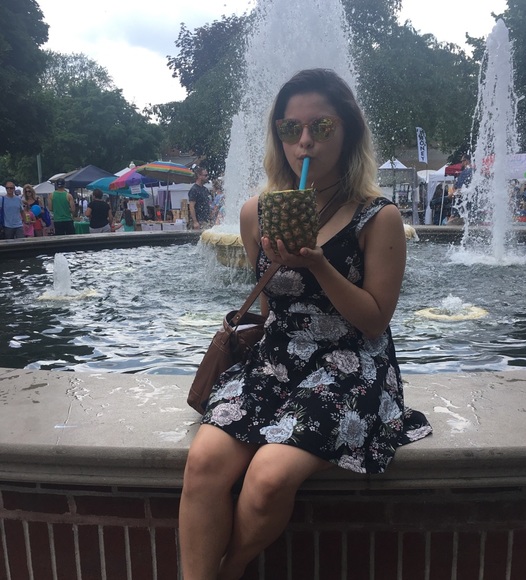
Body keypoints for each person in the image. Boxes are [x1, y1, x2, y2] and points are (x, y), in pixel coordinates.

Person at [179, 68, 432, 580]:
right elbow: (272, 311)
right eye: (290, 128)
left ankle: (230, 570)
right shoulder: (256, 213)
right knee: (203, 464)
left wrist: (319, 265)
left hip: (351, 364)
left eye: (322, 127)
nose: (305, 141)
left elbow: (375, 321)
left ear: (349, 131)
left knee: (269, 477)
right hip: (276, 359)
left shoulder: (378, 217)